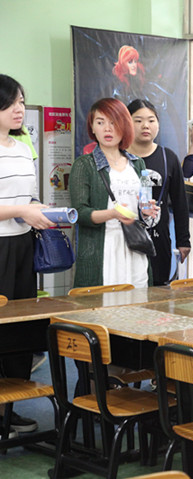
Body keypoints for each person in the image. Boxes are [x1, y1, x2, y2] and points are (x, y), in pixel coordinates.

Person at [0, 74, 56, 433]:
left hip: (23, 244)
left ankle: (10, 407)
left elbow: (26, 197)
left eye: (21, 101)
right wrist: (22, 210)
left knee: (20, 325)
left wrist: (39, 209)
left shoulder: (22, 147)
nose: (19, 108)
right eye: (11, 102)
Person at [69, 98, 159, 288]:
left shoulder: (139, 164)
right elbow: (79, 213)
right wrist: (112, 214)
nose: (107, 129)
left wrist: (146, 211)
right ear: (92, 127)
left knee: (138, 300)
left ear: (124, 125)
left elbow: (144, 203)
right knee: (103, 302)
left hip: (135, 247)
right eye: (100, 122)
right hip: (102, 249)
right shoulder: (83, 165)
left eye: (113, 122)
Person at [127, 99, 191, 285]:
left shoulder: (168, 157)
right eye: (138, 120)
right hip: (124, 238)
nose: (145, 126)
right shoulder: (119, 157)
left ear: (158, 124)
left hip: (158, 239)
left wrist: (183, 240)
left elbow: (180, 202)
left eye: (151, 120)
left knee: (157, 291)